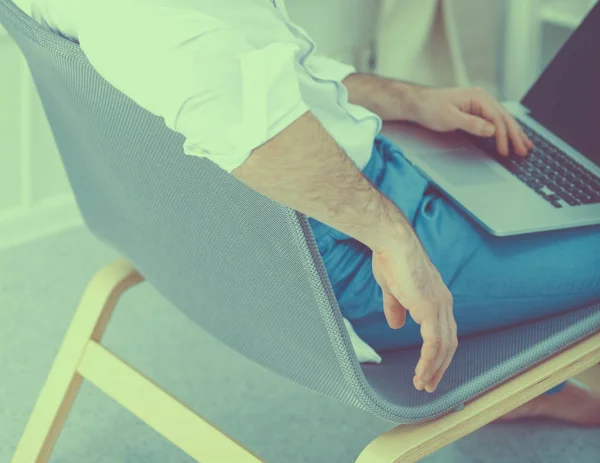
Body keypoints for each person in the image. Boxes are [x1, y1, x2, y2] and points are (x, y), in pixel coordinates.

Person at [12, 0, 600, 425]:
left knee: (539, 159)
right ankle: (505, 362)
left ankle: (515, 368)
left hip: (307, 197)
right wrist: (392, 236)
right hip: (346, 247)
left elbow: (267, 72)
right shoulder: (149, 20)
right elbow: (251, 128)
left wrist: (411, 101)